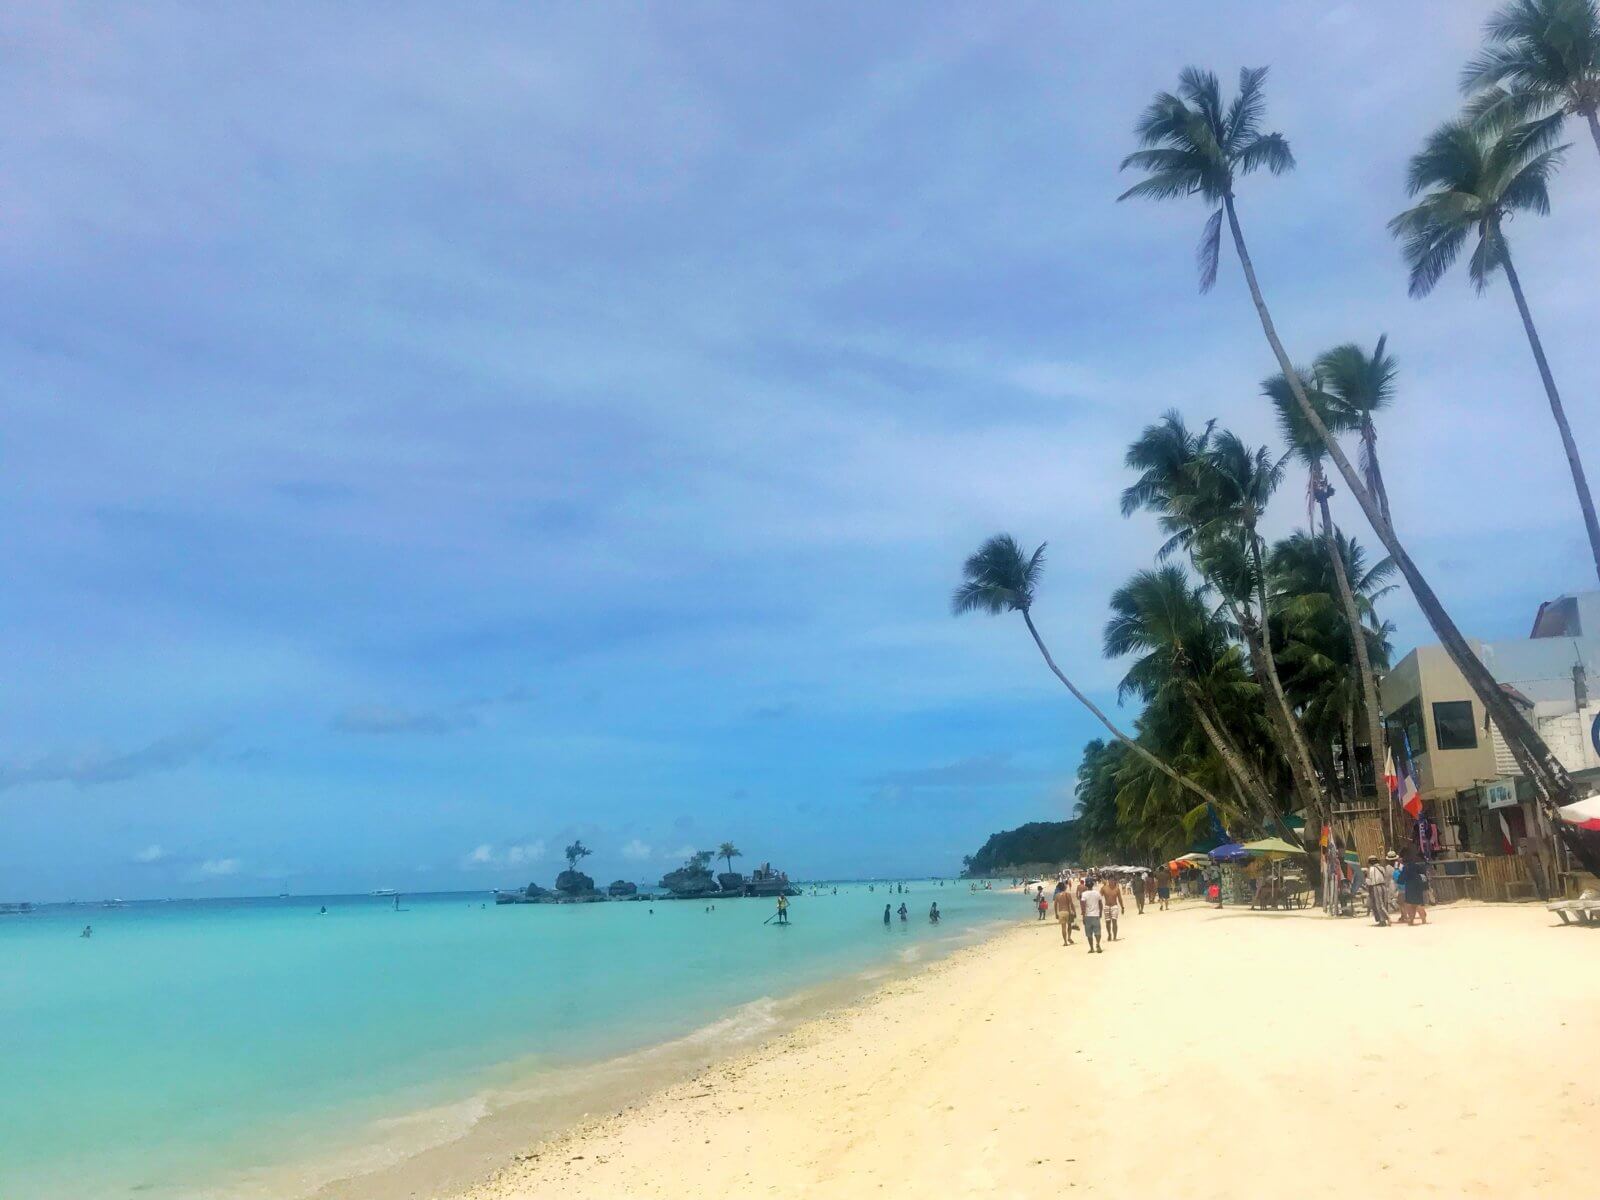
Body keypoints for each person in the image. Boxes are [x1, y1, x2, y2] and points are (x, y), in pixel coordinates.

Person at [1398, 849, 1430, 925]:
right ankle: (1423, 920)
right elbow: (1423, 875)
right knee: (1418, 903)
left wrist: (1400, 881)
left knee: (1410, 904)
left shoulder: (1406, 868)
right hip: (1419, 885)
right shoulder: (1417, 866)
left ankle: (1411, 921)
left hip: (1410, 886)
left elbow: (1401, 879)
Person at [1079, 879, 1105, 953]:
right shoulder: (1097, 893)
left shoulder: (1084, 894)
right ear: (1093, 885)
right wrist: (1100, 913)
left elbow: (1083, 907)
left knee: (1089, 933)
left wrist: (1083, 916)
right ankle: (1098, 944)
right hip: (1096, 915)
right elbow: (1100, 904)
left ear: (1086, 885)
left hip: (1088, 916)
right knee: (1097, 932)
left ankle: (1091, 948)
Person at [1364, 856, 1390, 927]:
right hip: (1384, 886)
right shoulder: (1382, 867)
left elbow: (1370, 881)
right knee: (1384, 903)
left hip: (1376, 886)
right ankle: (1385, 919)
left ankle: (1384, 920)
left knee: (1379, 904)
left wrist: (1366, 881)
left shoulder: (1371, 869)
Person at [1052, 881, 1076, 947]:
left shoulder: (1057, 895)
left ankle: (1065, 942)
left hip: (1061, 912)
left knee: (1063, 927)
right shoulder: (1067, 894)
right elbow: (1071, 904)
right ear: (1064, 887)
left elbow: (1055, 905)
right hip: (1068, 911)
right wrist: (1074, 912)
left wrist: (1056, 913)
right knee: (1069, 925)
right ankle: (1069, 937)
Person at [1102, 876, 1124, 941]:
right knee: (1107, 922)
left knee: (1114, 921)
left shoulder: (1117, 889)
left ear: (1115, 881)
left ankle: (1114, 936)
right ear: (1108, 881)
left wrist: (1122, 907)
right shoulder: (1104, 888)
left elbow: (1120, 898)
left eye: (1112, 880)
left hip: (1114, 906)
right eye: (1110, 880)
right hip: (1107, 906)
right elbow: (1099, 896)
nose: (1111, 882)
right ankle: (1109, 934)